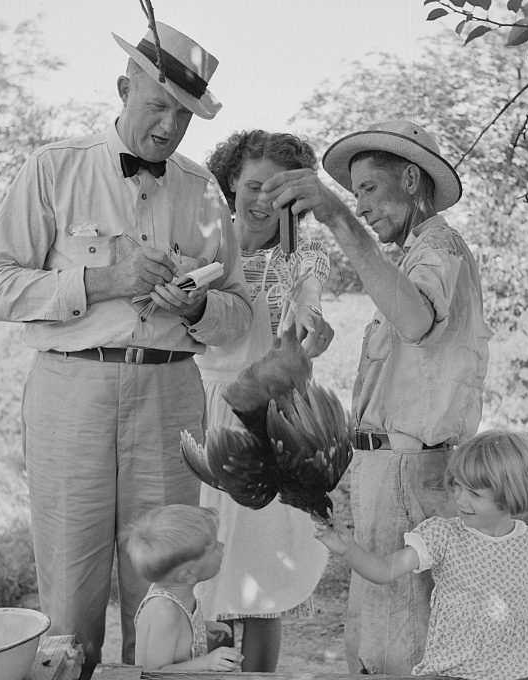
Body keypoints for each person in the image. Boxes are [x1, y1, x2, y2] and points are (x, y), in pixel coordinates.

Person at [0, 22, 252, 678]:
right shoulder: (53, 168)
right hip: (72, 393)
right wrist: (105, 282)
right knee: (70, 586)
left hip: (172, 396)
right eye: (156, 106)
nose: (168, 127)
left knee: (168, 583)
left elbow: (235, 318)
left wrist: (200, 306)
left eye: (183, 115)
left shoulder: (206, 192)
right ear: (124, 89)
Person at [260, 119, 492, 674]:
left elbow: (413, 320)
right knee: (378, 641)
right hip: (385, 473)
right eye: (353, 195)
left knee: (401, 649)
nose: (360, 206)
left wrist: (335, 217)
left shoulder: (441, 245)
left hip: (410, 472)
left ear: (411, 180)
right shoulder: (411, 256)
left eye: (367, 190)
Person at [194, 129, 334, 672]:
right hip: (198, 409)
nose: (262, 201)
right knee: (201, 565)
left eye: (277, 191)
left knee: (256, 571)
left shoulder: (301, 261)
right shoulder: (202, 242)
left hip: (265, 418)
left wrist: (312, 334)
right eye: (253, 185)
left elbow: (309, 316)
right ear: (230, 180)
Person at [315, 430, 528, 680]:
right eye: (457, 486)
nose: (460, 499)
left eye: (474, 493)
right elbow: (385, 570)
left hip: (510, 673)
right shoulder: (443, 535)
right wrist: (348, 549)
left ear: (509, 496)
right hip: (449, 673)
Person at [124, 504, 244, 671]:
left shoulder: (176, 593)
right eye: (214, 547)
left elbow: (175, 636)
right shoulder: (165, 612)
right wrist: (208, 662)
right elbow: (155, 674)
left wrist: (201, 628)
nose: (222, 546)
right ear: (188, 574)